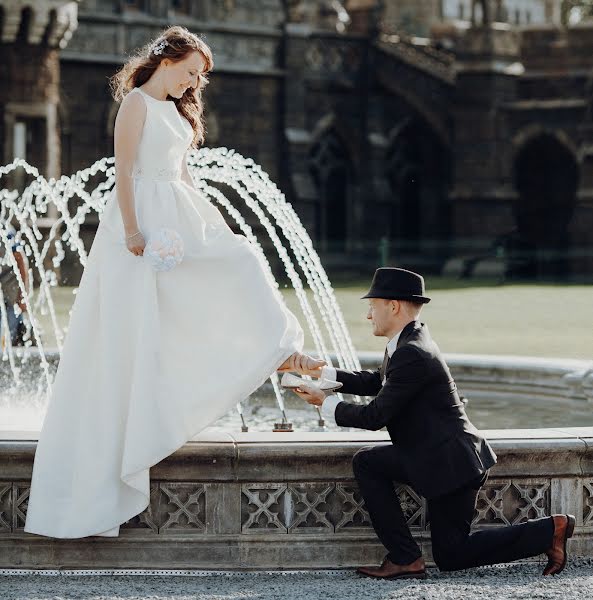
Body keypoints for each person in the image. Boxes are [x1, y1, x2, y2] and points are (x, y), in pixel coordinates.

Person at [24, 26, 310, 539]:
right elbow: (124, 174)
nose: (194, 83)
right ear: (167, 59)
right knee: (137, 331)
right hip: (143, 223)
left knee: (241, 263)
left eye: (199, 76)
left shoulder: (178, 112)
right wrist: (134, 231)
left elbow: (184, 176)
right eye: (191, 71)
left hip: (179, 215)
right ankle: (126, 443)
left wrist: (212, 225)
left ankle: (276, 347)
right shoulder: (135, 104)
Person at [290, 267, 575, 579]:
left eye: (373, 306)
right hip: (442, 457)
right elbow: (379, 381)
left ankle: (407, 558)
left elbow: (375, 417)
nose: (369, 315)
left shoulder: (412, 351)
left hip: (451, 463)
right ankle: (547, 531)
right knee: (448, 550)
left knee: (372, 468)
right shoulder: (409, 341)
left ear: (393, 306)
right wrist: (323, 373)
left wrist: (324, 401)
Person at [0, 226, 29, 349]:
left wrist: (22, 296)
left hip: (11, 292)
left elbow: (20, 259)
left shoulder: (6, 233)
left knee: (9, 332)